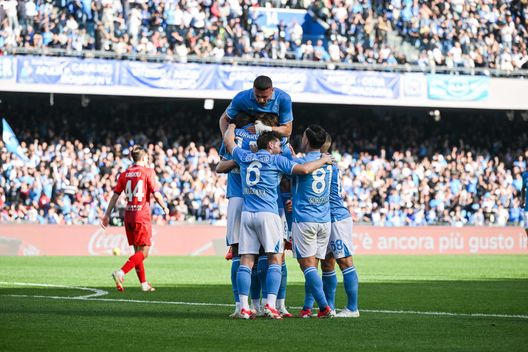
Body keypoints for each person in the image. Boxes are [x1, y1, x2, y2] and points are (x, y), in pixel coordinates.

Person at [223, 125, 333, 319]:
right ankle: (271, 306)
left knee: (246, 261)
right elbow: (305, 169)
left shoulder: (244, 156)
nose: (281, 146)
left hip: (248, 215)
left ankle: (243, 307)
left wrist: (231, 125)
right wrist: (324, 159)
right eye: (278, 143)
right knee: (275, 258)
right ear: (272, 144)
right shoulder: (277, 160)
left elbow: (228, 142)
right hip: (269, 215)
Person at [101, 145, 169, 292]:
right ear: (144, 158)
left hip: (129, 216)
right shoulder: (148, 172)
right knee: (144, 253)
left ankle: (144, 284)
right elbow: (156, 194)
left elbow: (115, 196)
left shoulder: (124, 174)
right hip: (141, 216)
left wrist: (107, 214)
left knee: (137, 251)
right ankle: (121, 272)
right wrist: (165, 207)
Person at [290, 125, 335, 319]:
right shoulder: (331, 163)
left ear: (306, 141)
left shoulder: (299, 164)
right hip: (324, 220)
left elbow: (295, 170)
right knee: (313, 266)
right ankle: (308, 307)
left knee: (307, 267)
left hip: (305, 220)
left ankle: (324, 307)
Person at [319, 134, 359, 318]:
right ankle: (330, 308)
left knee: (344, 261)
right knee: (327, 263)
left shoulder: (326, 165)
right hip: (324, 218)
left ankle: (352, 308)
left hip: (336, 217)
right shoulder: (323, 162)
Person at [219, 75, 293, 138]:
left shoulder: (283, 99)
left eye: (265, 97)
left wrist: (266, 128)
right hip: (244, 135)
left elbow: (287, 131)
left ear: (272, 90)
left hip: (270, 138)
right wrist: (226, 139)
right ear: (253, 89)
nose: (260, 100)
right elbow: (224, 118)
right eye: (257, 96)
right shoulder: (241, 98)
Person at [522, 168, 528, 238]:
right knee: (526, 226)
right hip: (527, 207)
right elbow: (523, 188)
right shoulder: (525, 175)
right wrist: (522, 200)